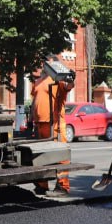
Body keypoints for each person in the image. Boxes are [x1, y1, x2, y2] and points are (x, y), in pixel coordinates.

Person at [30, 61, 72, 195]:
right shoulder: (38, 81)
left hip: (55, 124)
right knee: (41, 156)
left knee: (60, 155)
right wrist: (31, 119)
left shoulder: (58, 80)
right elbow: (34, 100)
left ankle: (63, 186)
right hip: (40, 123)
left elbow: (68, 86)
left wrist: (71, 78)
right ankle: (42, 186)